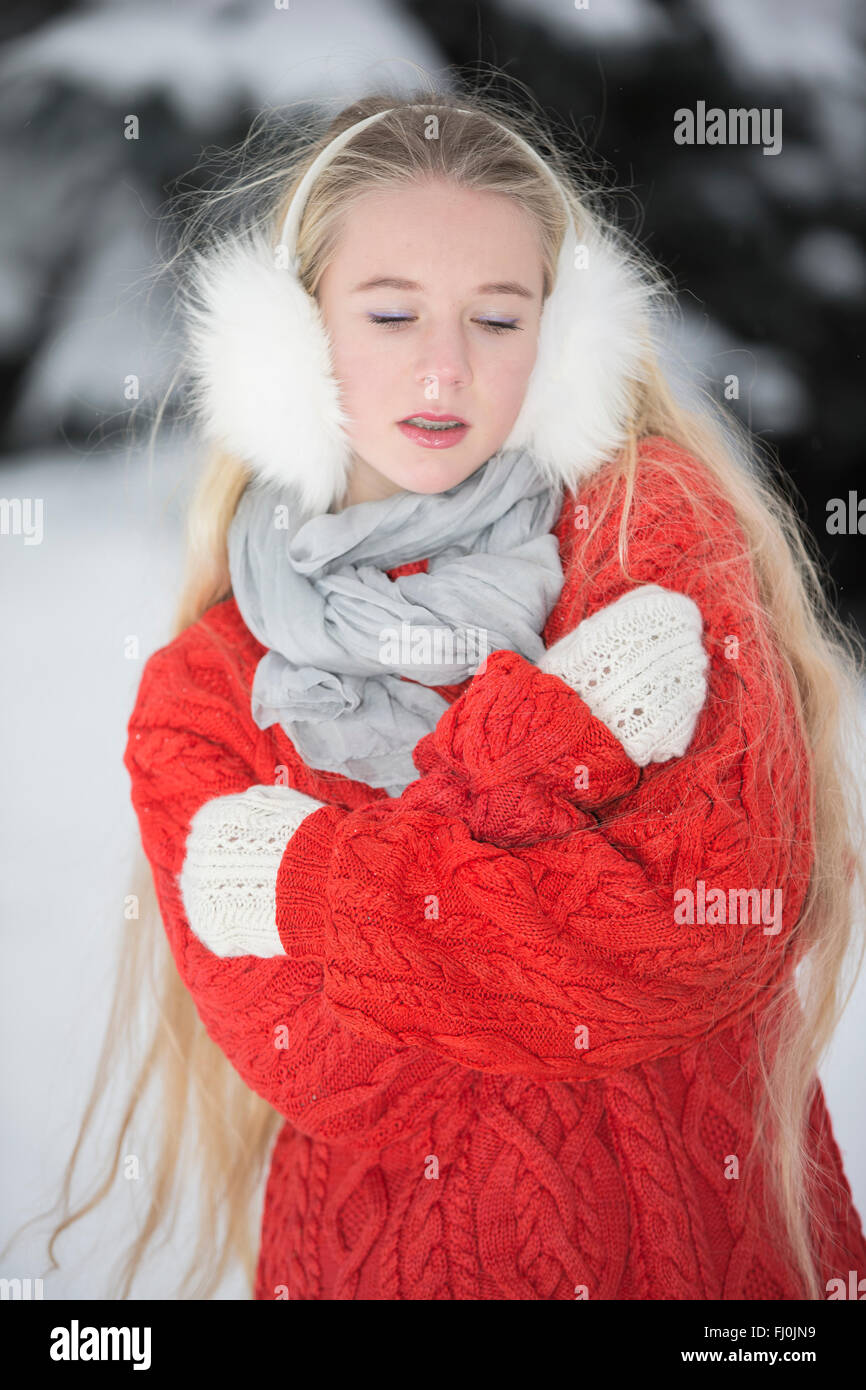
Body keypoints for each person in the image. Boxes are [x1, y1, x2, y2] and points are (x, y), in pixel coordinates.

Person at [45, 89, 866, 1300]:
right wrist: (558, 738)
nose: (444, 367)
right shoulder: (204, 694)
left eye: (498, 316)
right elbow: (350, 1075)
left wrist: (311, 879)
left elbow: (703, 931)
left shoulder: (647, 538)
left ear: (563, 336)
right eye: (389, 313)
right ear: (294, 333)